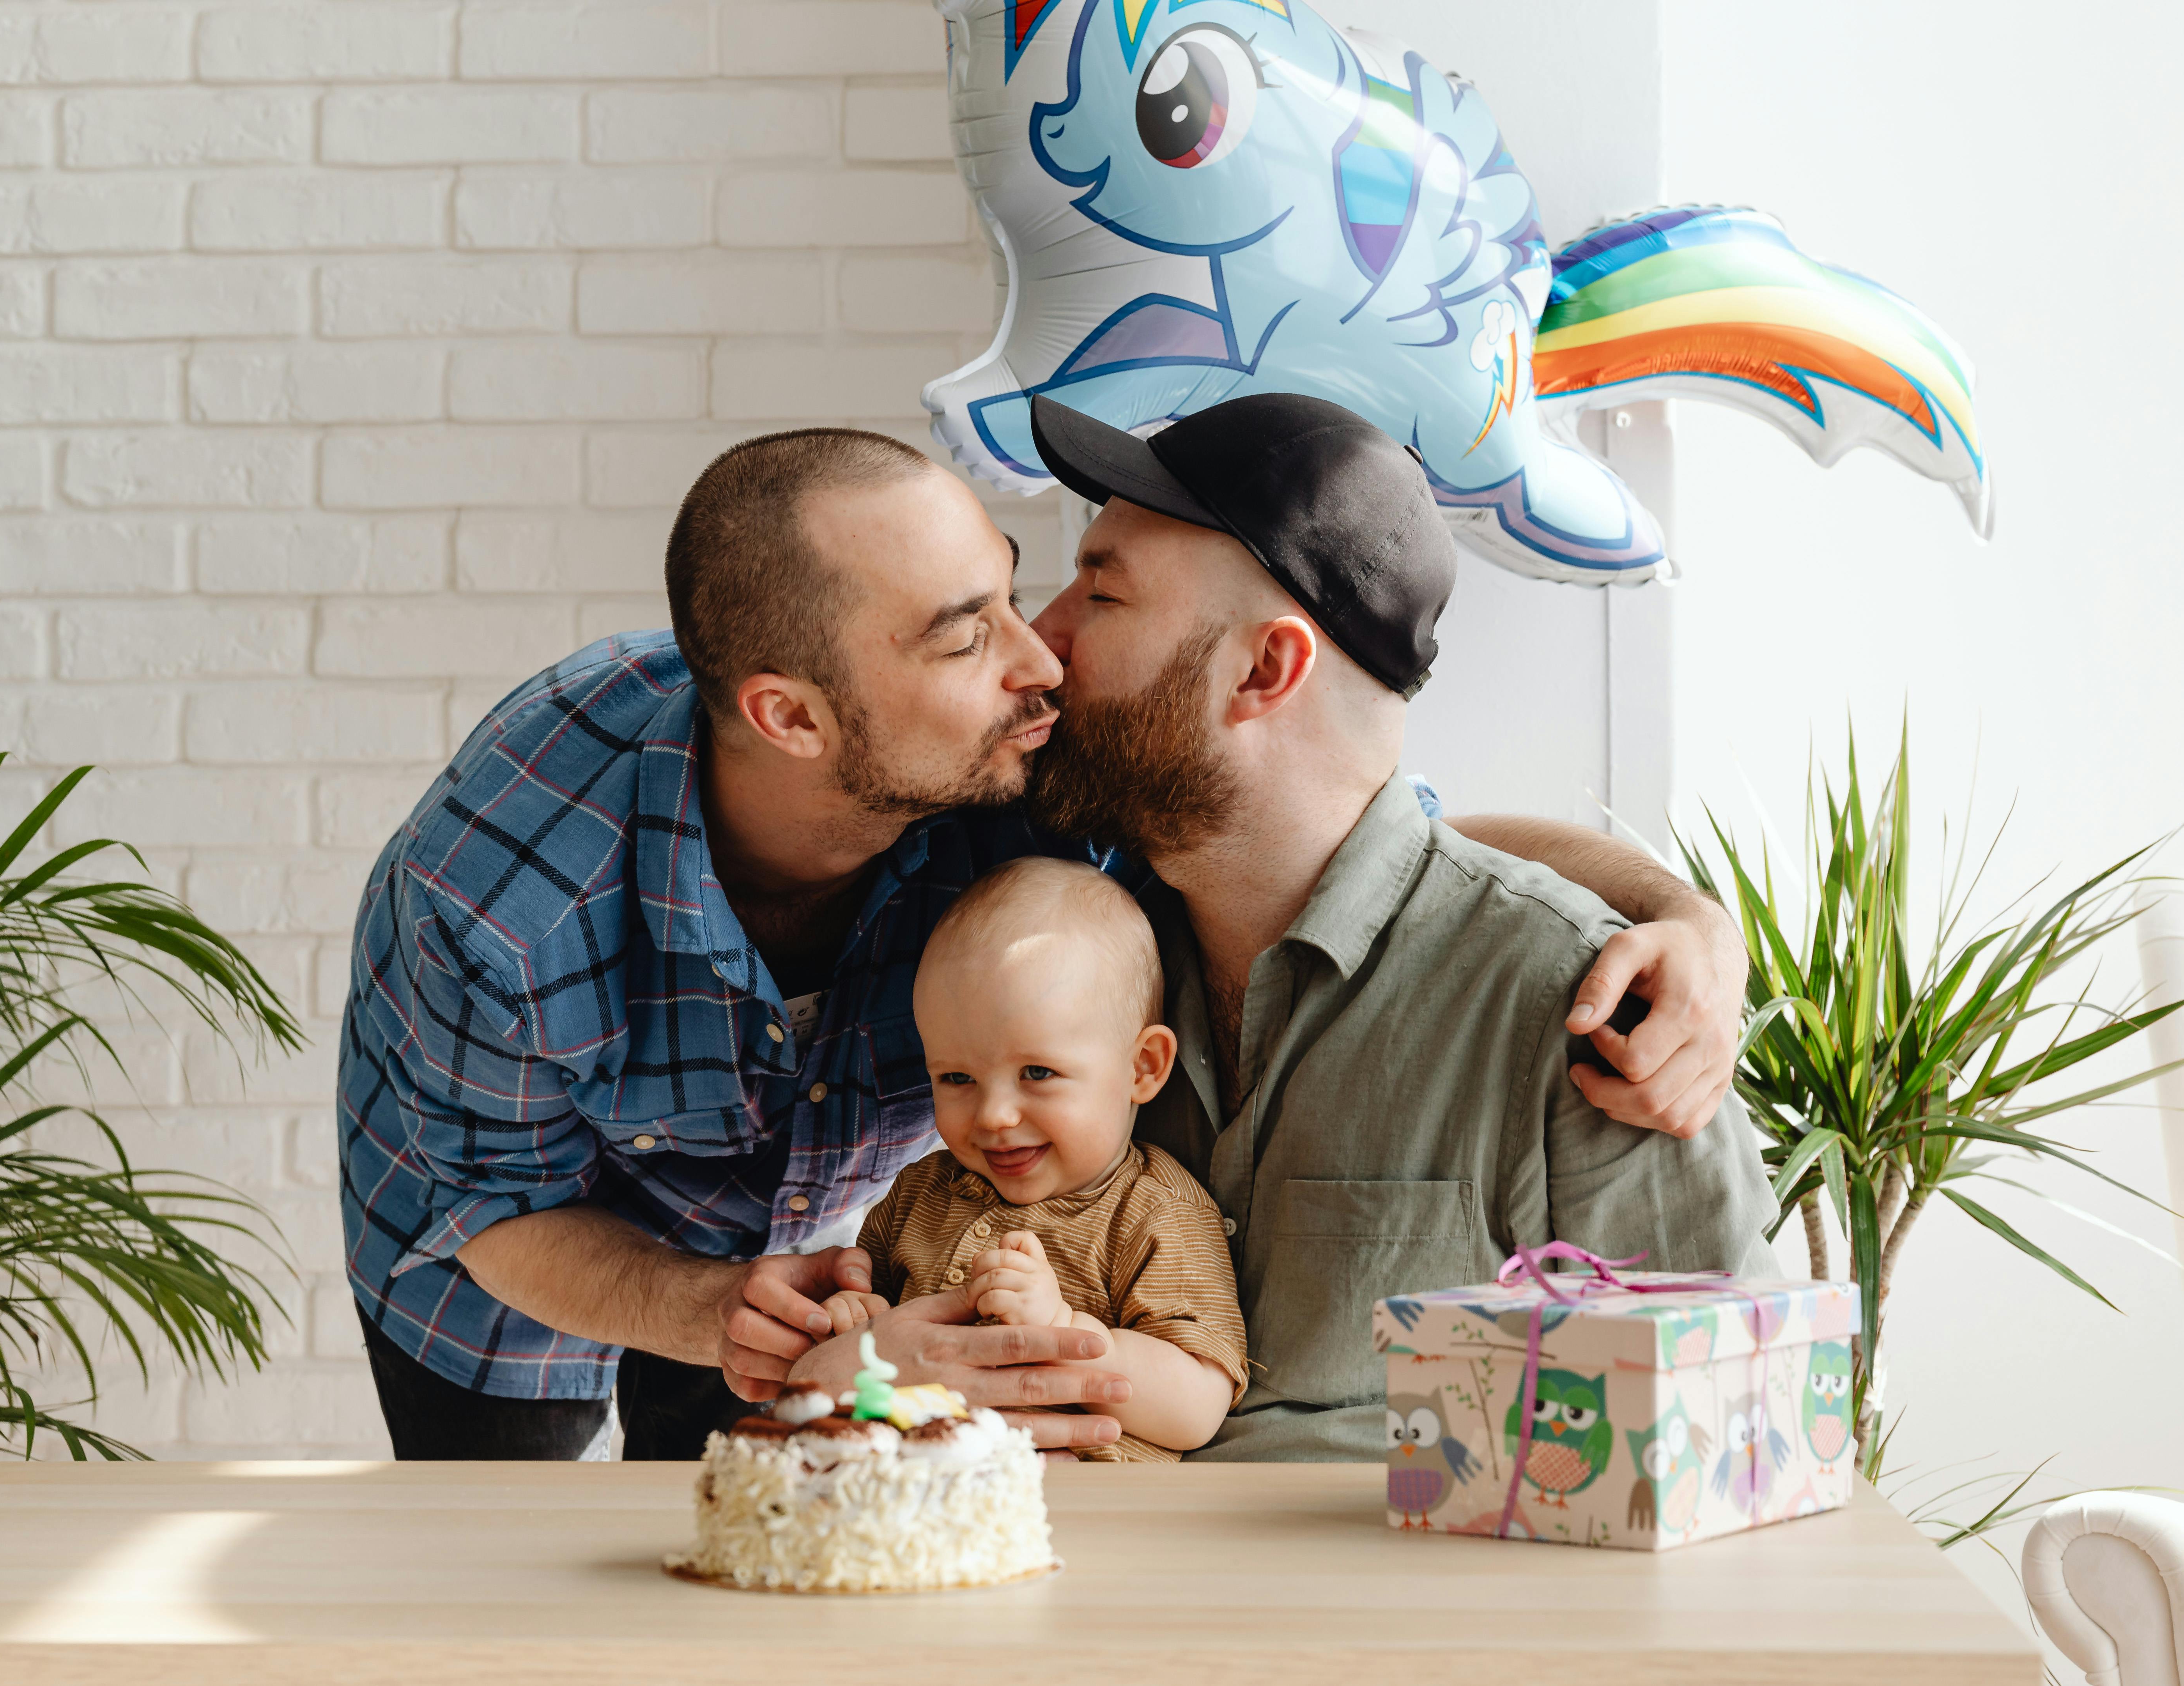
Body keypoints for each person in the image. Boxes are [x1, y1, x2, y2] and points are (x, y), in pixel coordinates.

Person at [340, 425, 1749, 1463]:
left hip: (838, 1260)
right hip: (524, 1224)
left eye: (1058, 591)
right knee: (506, 1544)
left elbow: (1371, 838)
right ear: (792, 718)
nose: (1039, 657)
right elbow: (490, 1200)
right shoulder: (503, 893)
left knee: (733, 1518)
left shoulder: (1036, 781)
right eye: (973, 635)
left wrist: (1679, 917)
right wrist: (726, 1307)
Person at [789, 394, 1775, 1459]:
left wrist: (1693, 924)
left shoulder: (1576, 1006)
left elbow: (1737, 1431)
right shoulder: (1069, 952)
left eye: (1102, 590)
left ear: (1265, 670)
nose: (1043, 639)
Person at [819, 856, 1244, 1463]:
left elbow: (1199, 1405)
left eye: (1037, 1072)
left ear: (1142, 1067)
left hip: (1084, 1528)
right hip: (913, 1515)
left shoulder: (1156, 1211)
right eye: (957, 1076)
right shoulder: (917, 1197)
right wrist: (857, 1320)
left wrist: (1065, 1325)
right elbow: (876, 1342)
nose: (993, 1115)